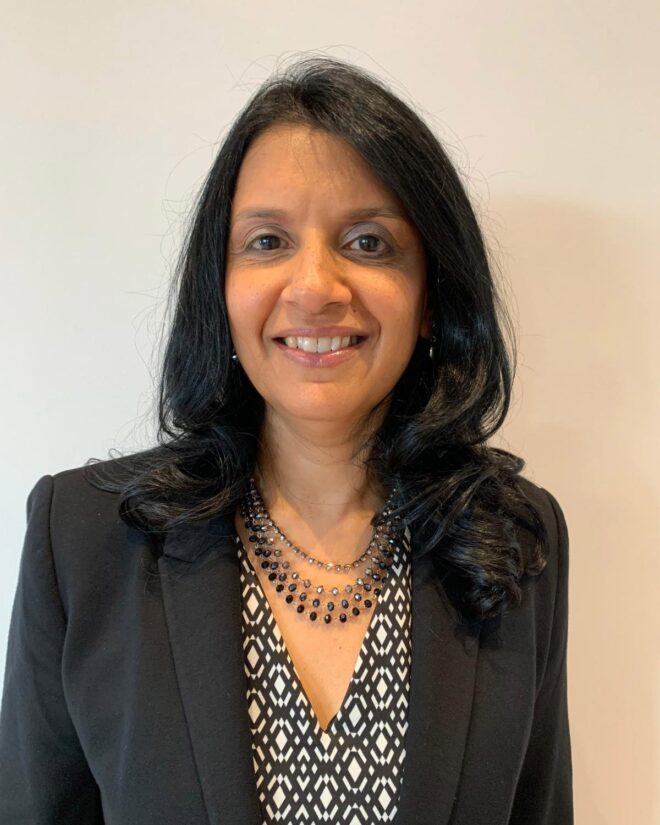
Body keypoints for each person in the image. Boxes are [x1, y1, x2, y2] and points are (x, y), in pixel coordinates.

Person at [0, 56, 573, 824]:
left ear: (431, 296)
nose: (313, 287)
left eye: (368, 243)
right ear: (222, 285)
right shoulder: (82, 539)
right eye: (267, 241)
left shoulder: (514, 539)